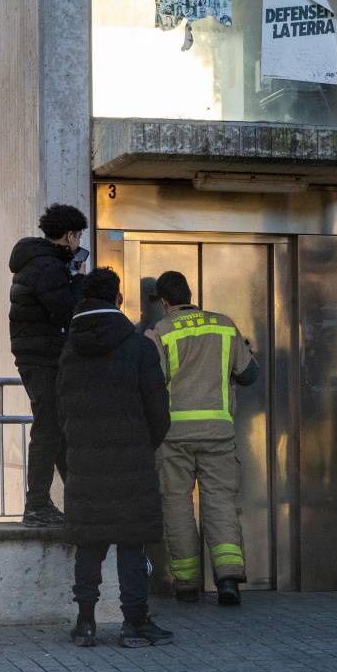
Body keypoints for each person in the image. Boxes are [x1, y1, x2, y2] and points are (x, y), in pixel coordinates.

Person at [57, 268, 173, 648]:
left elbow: (61, 412)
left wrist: (77, 447)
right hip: (131, 461)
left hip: (86, 461)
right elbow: (158, 411)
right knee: (132, 542)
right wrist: (144, 444)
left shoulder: (70, 351)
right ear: (118, 299)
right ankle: (134, 623)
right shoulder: (138, 346)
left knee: (89, 542)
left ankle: (86, 623)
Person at [145, 271, 258, 606]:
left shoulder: (160, 332)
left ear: (164, 301)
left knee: (177, 504)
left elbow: (152, 382)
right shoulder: (224, 325)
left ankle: (187, 585)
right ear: (189, 294)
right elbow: (249, 375)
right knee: (220, 502)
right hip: (218, 434)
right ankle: (227, 581)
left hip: (174, 435)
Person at [8, 203, 88, 527]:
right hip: (43, 357)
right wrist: (80, 281)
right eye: (77, 235)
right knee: (48, 429)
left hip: (36, 355)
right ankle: (37, 505)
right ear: (69, 234)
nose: (77, 242)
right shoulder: (47, 266)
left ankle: (79, 499)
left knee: (57, 429)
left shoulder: (38, 261)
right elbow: (65, 311)